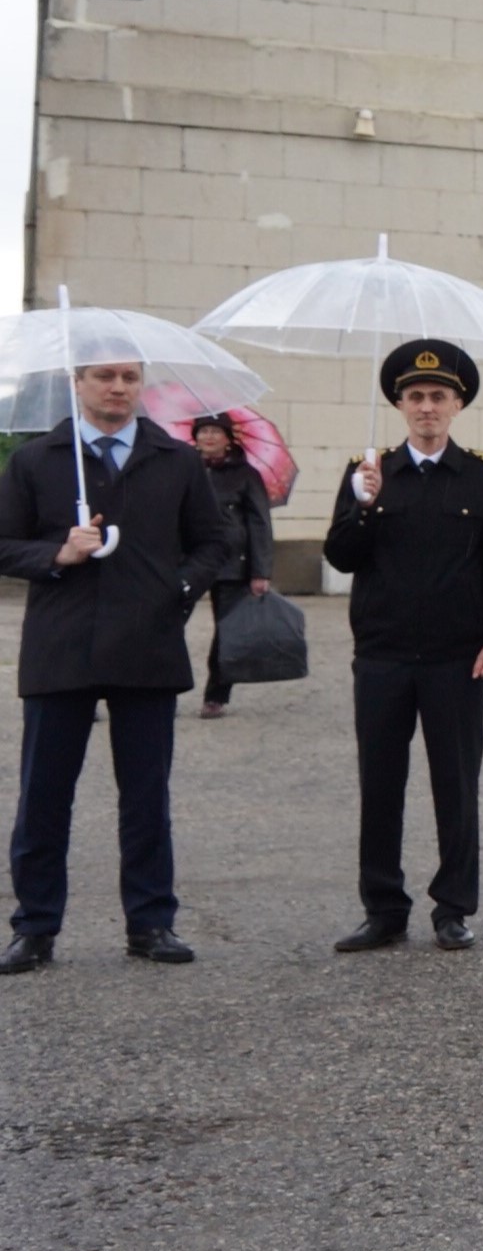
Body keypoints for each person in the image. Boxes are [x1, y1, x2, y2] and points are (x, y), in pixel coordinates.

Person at [0, 357, 232, 970]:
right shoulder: (36, 460)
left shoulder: (176, 460)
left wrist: (178, 589)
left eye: (130, 377)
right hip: (61, 649)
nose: (118, 387)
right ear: (77, 384)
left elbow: (213, 542)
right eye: (104, 376)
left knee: (146, 797)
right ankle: (36, 926)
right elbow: (3, 543)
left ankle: (151, 923)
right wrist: (57, 552)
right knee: (44, 797)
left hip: (146, 647)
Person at [321, 339, 483, 952]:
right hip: (383, 656)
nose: (427, 407)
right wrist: (362, 506)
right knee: (380, 785)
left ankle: (453, 908)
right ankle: (384, 909)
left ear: (457, 405)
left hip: (456, 658)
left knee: (455, 787)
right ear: (399, 404)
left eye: (439, 396)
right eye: (415, 397)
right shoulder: (369, 472)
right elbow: (340, 556)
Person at [190, 413, 273, 720]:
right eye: (203, 431)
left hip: (231, 563)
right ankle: (159, 690)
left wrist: (260, 571)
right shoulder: (185, 469)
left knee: (226, 633)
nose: (209, 437)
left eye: (215, 432)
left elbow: (260, 523)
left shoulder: (245, 474)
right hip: (190, 559)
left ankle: (216, 696)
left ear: (228, 439)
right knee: (164, 626)